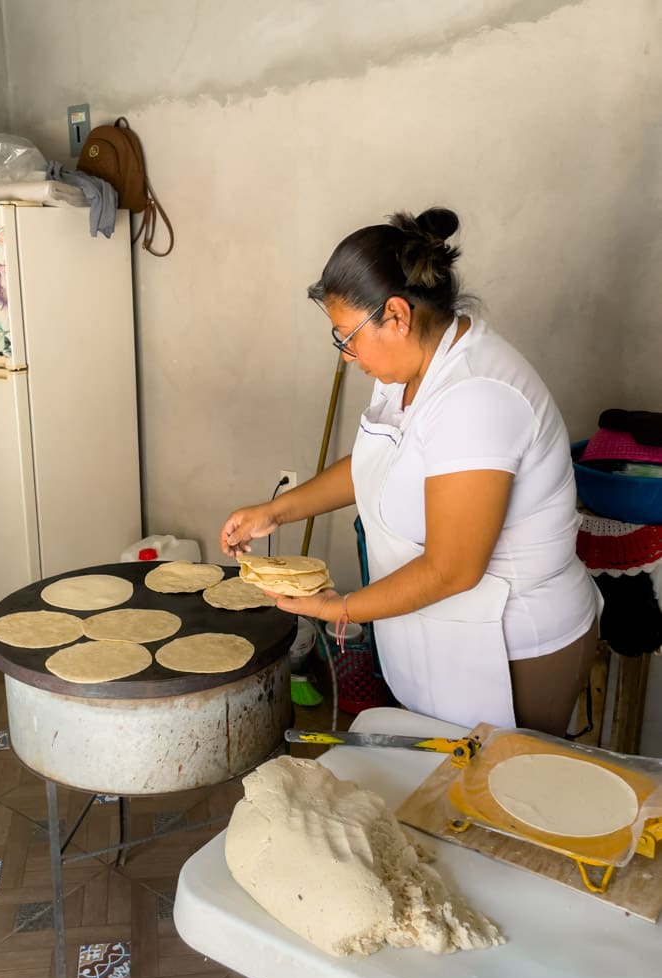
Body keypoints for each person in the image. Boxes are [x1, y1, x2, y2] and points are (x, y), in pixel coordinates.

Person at [220, 207, 600, 735]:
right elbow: (374, 465)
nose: (347, 355)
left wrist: (342, 606)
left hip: (511, 649)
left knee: (495, 801)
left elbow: (452, 569)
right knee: (440, 799)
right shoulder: (406, 366)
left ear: (396, 315)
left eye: (346, 336)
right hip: (443, 636)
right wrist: (275, 511)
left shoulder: (476, 396)